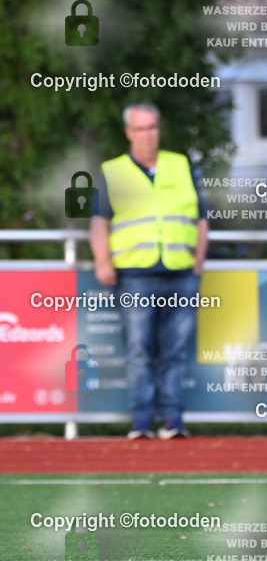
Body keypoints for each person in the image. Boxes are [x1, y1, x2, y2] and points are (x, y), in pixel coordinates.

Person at [90, 103, 209, 439]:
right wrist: (103, 261)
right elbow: (99, 221)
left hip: (181, 272)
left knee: (175, 350)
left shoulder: (181, 165)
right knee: (139, 349)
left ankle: (173, 420)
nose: (148, 134)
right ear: (129, 132)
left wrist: (198, 263)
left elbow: (201, 219)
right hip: (134, 273)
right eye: (141, 129)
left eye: (153, 127)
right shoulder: (113, 171)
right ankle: (141, 422)